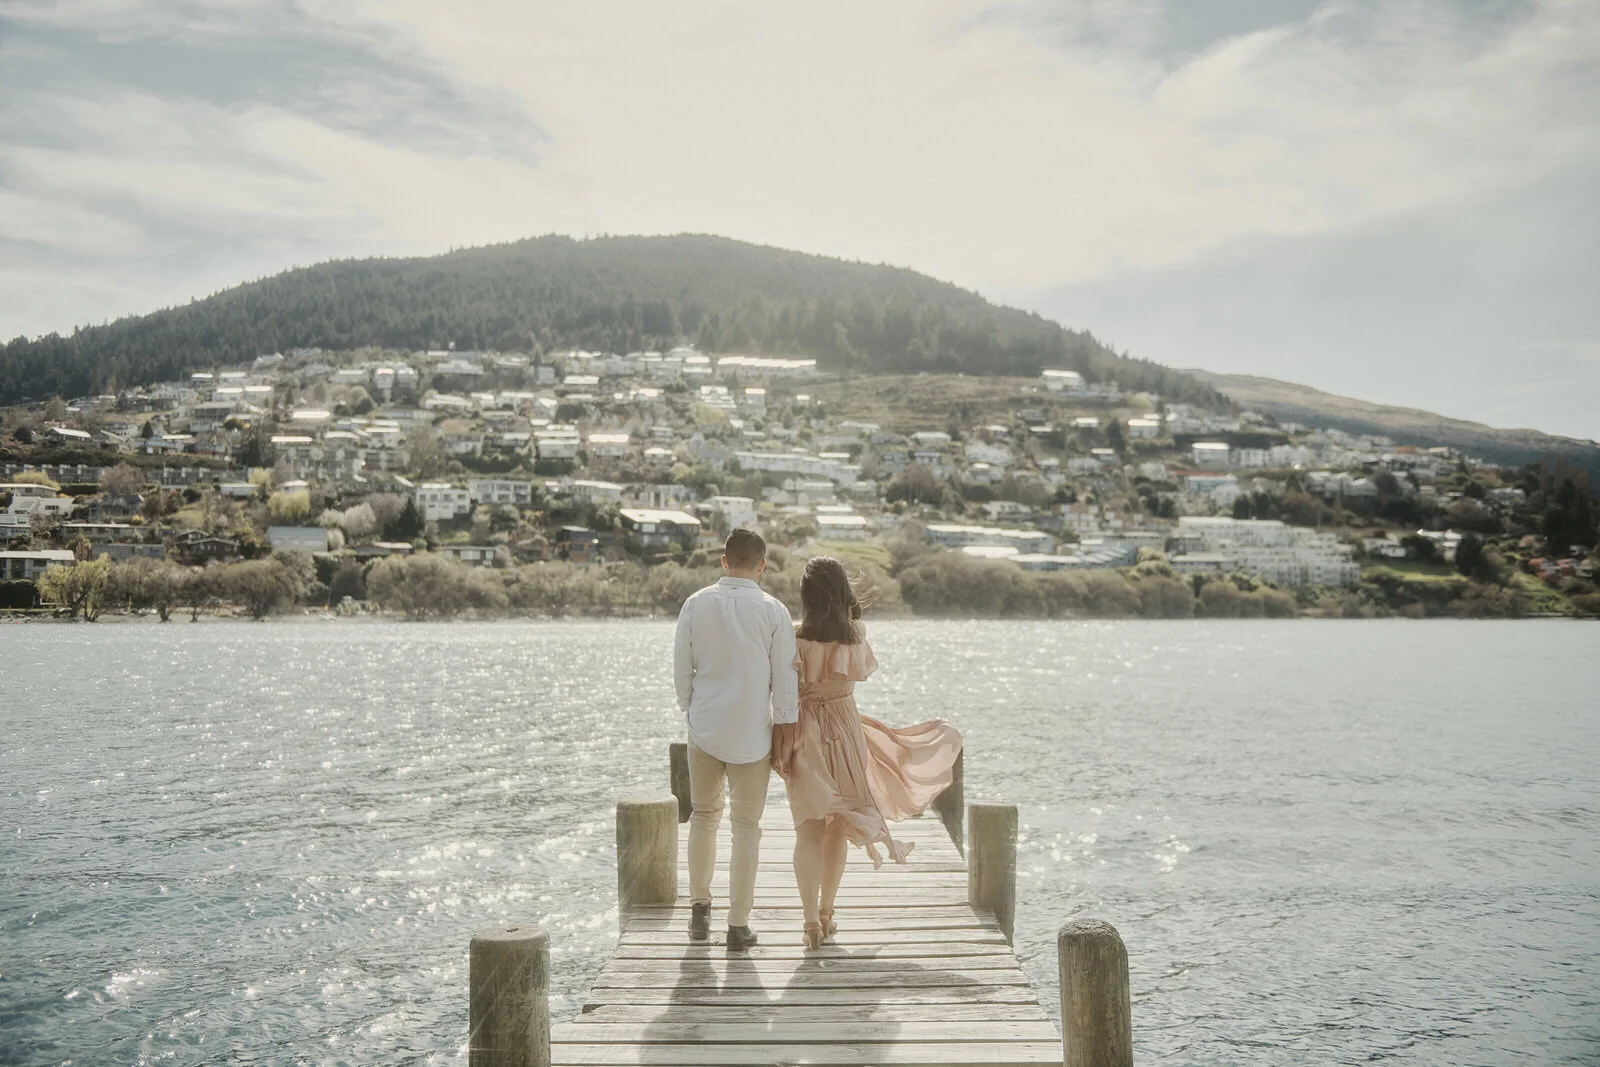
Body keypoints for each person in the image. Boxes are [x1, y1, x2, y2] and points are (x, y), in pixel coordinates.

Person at [771, 556, 963, 950]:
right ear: (842, 593)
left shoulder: (790, 637)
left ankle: (809, 923)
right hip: (845, 730)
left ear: (805, 597)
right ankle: (827, 914)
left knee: (807, 831)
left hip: (805, 732)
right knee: (836, 830)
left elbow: (779, 689)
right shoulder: (856, 634)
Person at [674, 528, 800, 952]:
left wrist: (691, 709)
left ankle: (697, 911)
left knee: (703, 818)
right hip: (752, 736)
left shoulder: (695, 604)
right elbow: (785, 683)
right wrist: (784, 732)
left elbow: (681, 669)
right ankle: (737, 925)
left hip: (705, 730)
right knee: (746, 829)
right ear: (762, 566)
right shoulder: (774, 610)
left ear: (723, 561)